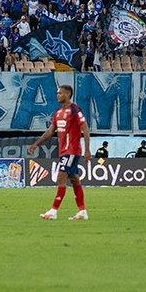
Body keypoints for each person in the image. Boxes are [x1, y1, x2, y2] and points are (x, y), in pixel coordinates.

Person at [27, 84, 90, 220]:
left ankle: (54, 211)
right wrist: (36, 144)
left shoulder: (75, 110)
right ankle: (82, 211)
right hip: (64, 151)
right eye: (57, 93)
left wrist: (87, 150)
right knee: (74, 179)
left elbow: (85, 129)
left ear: (67, 95)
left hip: (72, 150)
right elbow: (50, 132)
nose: (58, 95)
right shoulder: (58, 113)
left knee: (61, 176)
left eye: (60, 93)